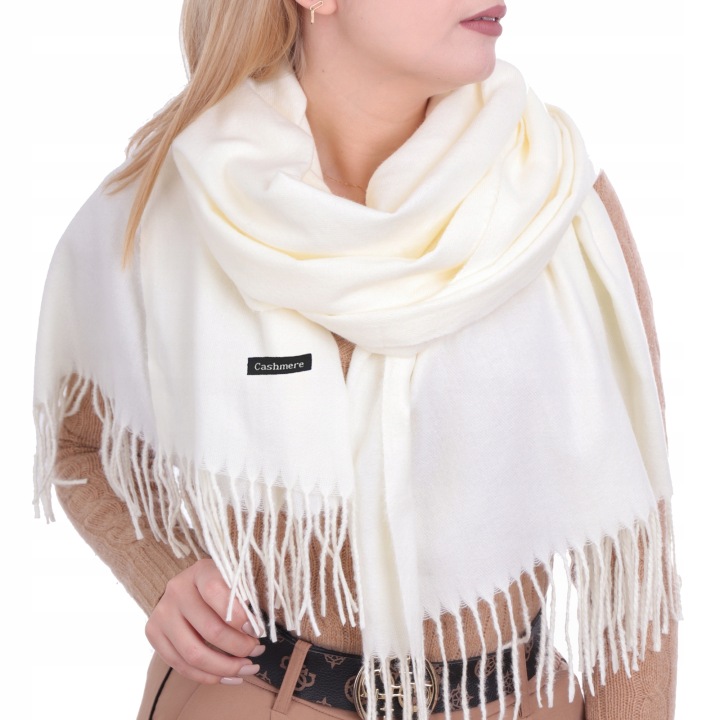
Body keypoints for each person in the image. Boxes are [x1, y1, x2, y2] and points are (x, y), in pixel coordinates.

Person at [33, 1, 680, 719]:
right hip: (255, 696)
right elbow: (77, 441)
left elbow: (637, 543)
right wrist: (160, 572)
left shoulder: (553, 196)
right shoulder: (175, 203)